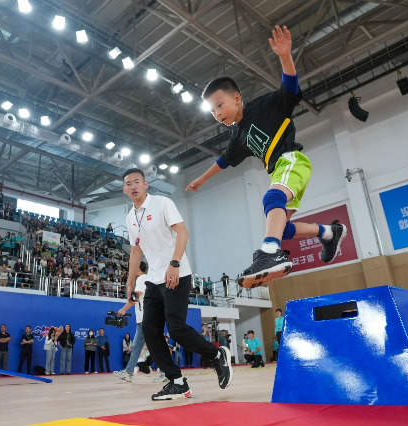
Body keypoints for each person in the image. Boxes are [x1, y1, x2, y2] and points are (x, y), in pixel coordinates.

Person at [187, 26, 348, 288]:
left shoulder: (264, 106)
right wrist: (201, 179)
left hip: (292, 160)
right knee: (281, 228)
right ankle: (329, 232)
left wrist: (285, 56)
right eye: (212, 112)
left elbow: (289, 88)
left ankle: (270, 253)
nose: (217, 114)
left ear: (236, 98)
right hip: (281, 172)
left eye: (219, 105)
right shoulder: (238, 136)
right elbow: (224, 160)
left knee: (271, 199)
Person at [117, 168, 232, 400]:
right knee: (150, 329)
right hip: (153, 279)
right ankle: (177, 381)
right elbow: (136, 251)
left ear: (146, 185)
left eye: (137, 181)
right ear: (124, 190)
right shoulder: (130, 218)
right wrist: (130, 283)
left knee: (176, 328)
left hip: (176, 273)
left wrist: (175, 263)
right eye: (128, 183)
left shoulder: (162, 203)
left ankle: (216, 355)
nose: (133, 186)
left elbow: (182, 233)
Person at [114, 261, 148, 383]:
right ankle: (128, 372)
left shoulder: (141, 279)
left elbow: (135, 298)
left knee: (153, 348)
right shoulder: (143, 279)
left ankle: (167, 372)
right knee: (137, 347)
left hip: (145, 319)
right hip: (143, 320)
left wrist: (123, 309)